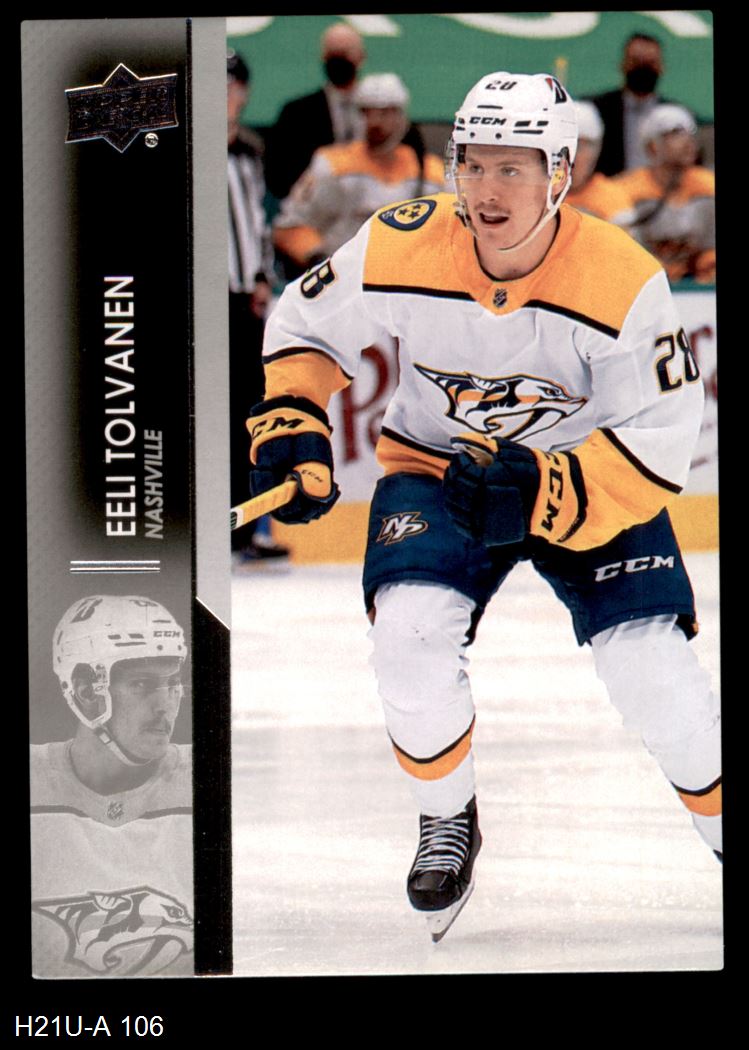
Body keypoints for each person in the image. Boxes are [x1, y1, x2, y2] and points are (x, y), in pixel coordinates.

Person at [246, 72, 721, 942]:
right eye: (472, 164)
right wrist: (295, 421)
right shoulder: (401, 241)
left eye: (512, 167)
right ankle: (445, 816)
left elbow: (658, 437)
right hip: (437, 469)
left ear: (558, 174)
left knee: (653, 672)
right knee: (407, 636)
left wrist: (545, 488)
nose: (487, 190)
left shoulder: (622, 278)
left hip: (584, 477)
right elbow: (306, 322)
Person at [30, 595, 194, 976]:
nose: (165, 705)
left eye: (172, 683)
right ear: (86, 691)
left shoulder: (206, 780)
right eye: (142, 684)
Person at [273, 73, 444, 277]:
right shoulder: (332, 165)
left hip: (407, 280)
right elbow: (290, 226)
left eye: (385, 113)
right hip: (344, 278)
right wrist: (319, 259)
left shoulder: (430, 171)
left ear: (401, 116)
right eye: (366, 112)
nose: (375, 122)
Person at [227, 49, 288, 561]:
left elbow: (258, 223)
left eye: (231, 85)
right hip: (204, 305)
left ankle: (246, 528)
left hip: (247, 301)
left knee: (249, 415)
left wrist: (265, 277)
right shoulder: (185, 146)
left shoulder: (248, 150)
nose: (224, 94)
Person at [264, 22, 367, 202]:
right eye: (332, 54)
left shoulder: (381, 112)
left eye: (344, 54)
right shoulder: (296, 114)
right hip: (314, 207)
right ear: (323, 57)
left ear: (361, 57)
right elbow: (277, 175)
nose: (338, 61)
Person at [614, 103, 715, 284]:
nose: (688, 141)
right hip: (645, 281)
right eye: (675, 133)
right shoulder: (626, 190)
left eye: (690, 134)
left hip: (697, 285)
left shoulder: (708, 185)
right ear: (653, 146)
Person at [589, 33, 667, 175]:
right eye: (636, 61)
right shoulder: (597, 111)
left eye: (650, 63)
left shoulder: (674, 115)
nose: (643, 68)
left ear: (661, 67)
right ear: (623, 64)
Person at [566, 100, 636, 228]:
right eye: (567, 147)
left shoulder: (612, 197)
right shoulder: (538, 194)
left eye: (582, 146)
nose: (574, 156)